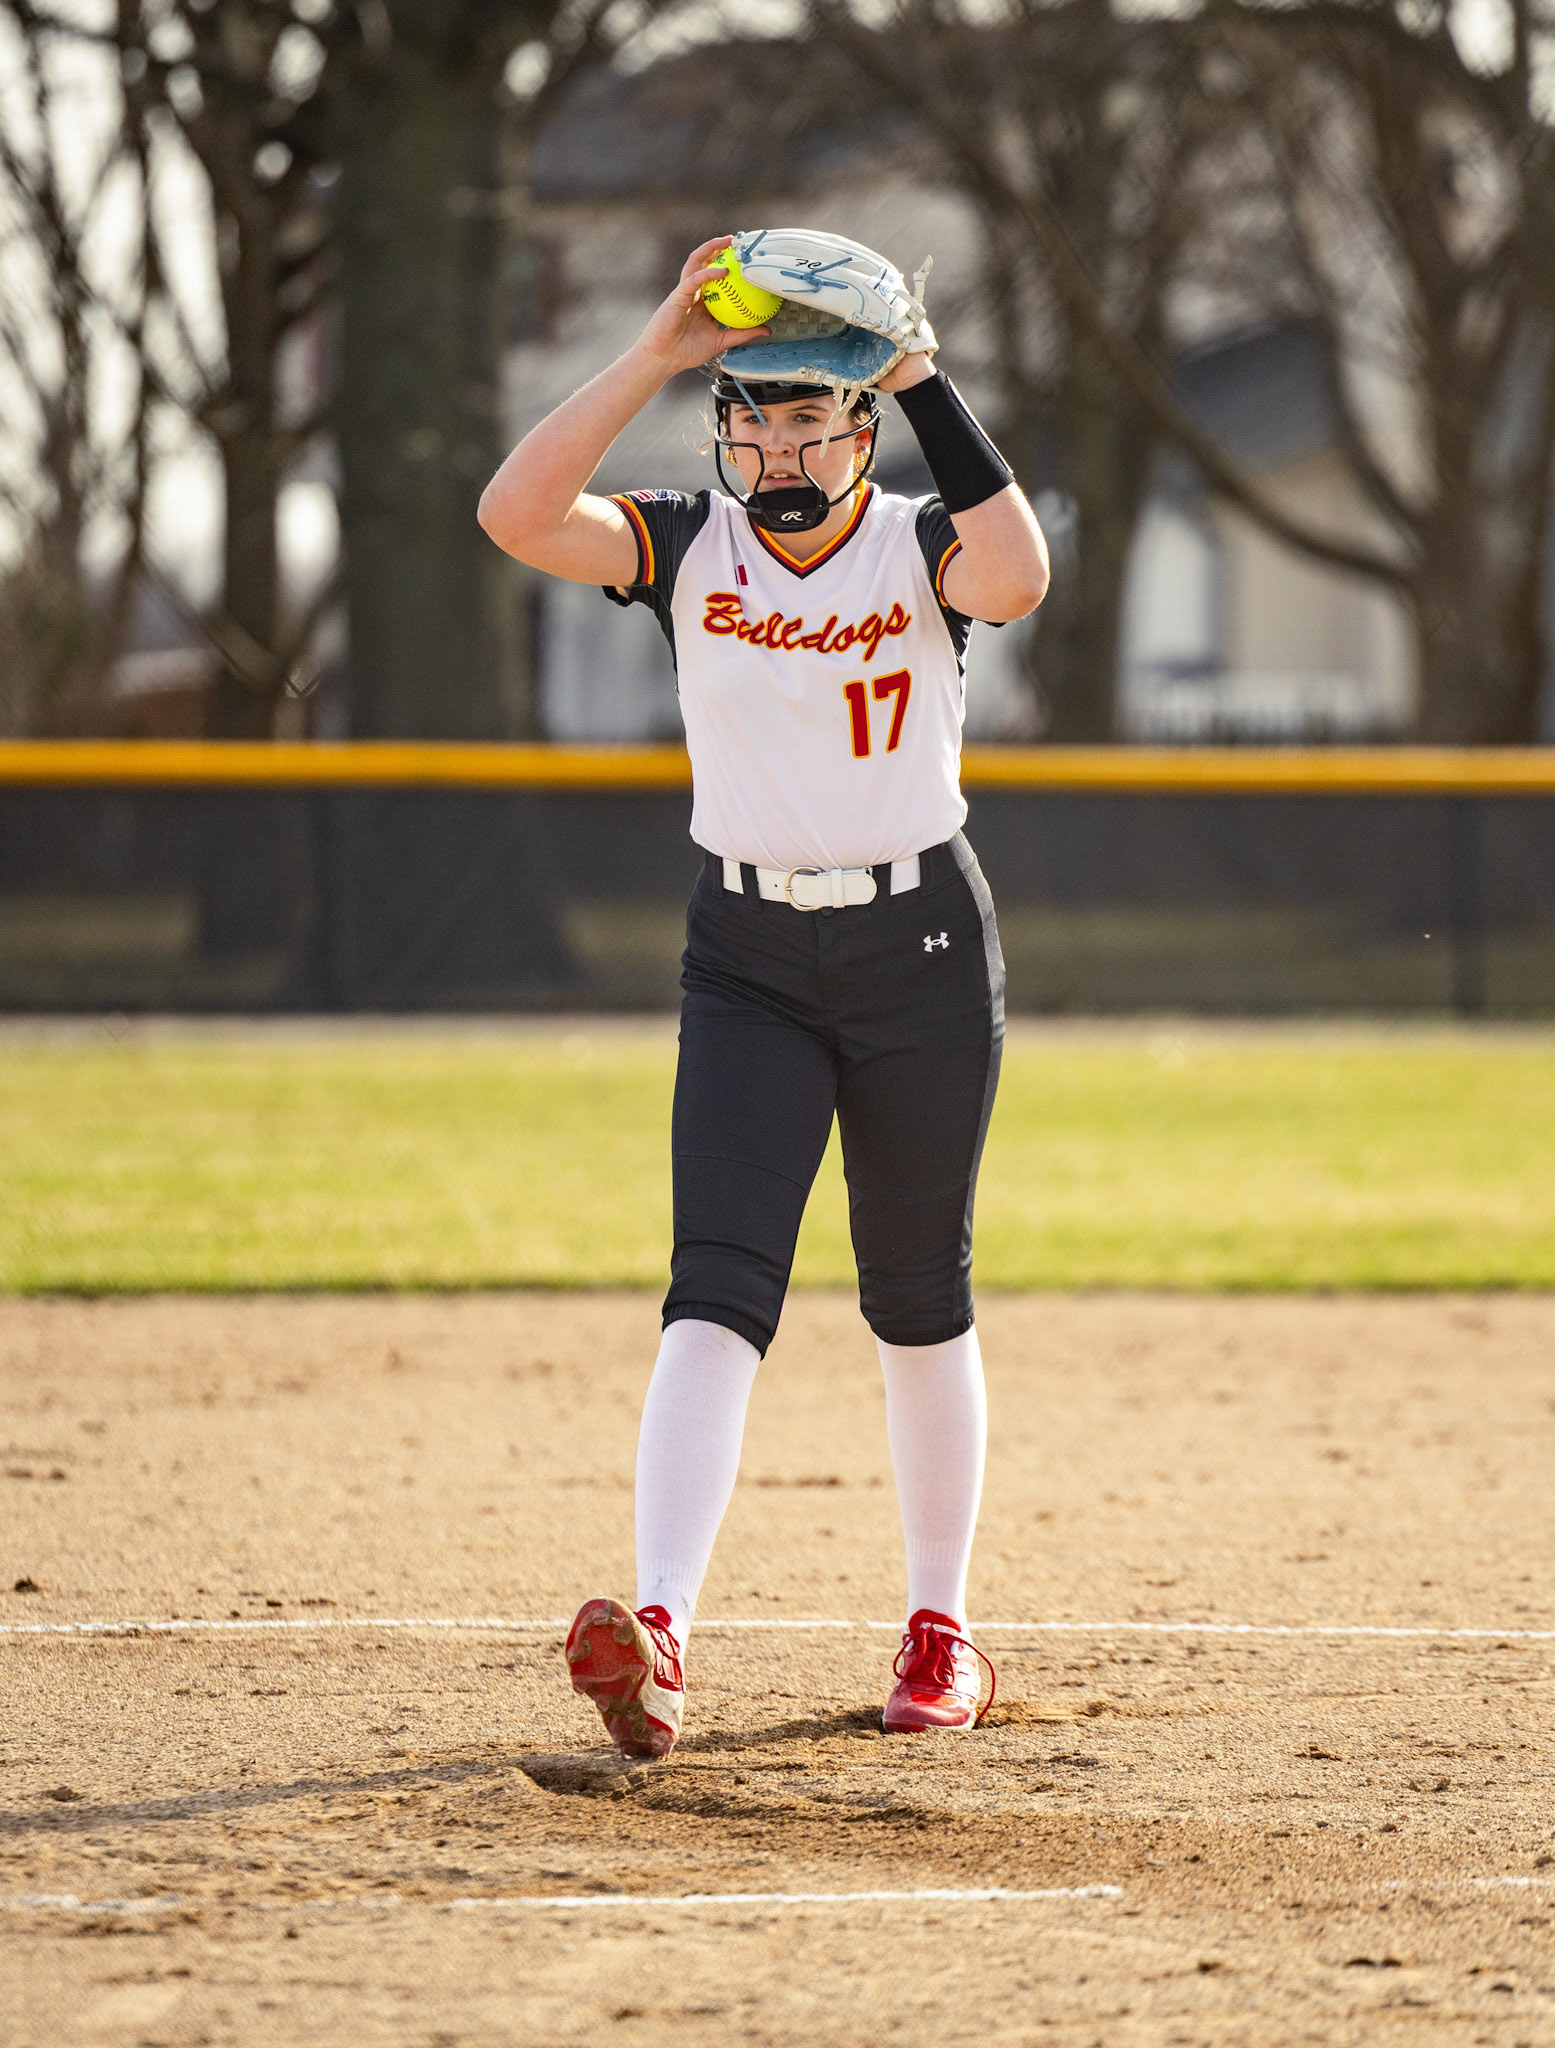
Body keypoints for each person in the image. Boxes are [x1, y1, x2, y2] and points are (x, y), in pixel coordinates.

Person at [478, 234, 1049, 1758]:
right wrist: (657, 351)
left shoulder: (920, 538)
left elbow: (1016, 575)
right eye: (751, 421)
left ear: (860, 427)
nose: (777, 449)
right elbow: (515, 515)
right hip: (744, 954)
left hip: (918, 948)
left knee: (915, 1294)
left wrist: (919, 373)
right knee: (715, 1286)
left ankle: (941, 1628)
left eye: (808, 420)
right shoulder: (688, 544)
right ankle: (658, 1630)